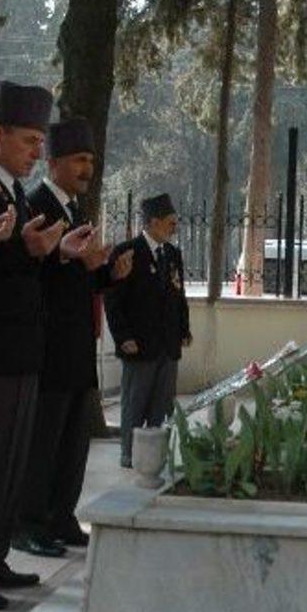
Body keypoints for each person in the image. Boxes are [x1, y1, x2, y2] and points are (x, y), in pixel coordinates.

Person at [0, 81, 93, 611]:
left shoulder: (14, 192)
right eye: (29, 141)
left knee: (8, 467)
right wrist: (10, 244)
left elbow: (21, 267)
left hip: (21, 351)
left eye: (39, 143)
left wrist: (54, 252)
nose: (36, 152)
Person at [17, 119, 131, 549]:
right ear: (54, 162)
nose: (87, 169)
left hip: (77, 347)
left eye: (91, 161)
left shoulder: (76, 212)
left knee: (72, 441)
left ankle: (61, 516)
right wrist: (65, 259)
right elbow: (30, 274)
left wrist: (107, 273)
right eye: (79, 160)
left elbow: (80, 277)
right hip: (48, 347)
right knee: (43, 442)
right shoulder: (36, 206)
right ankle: (29, 523)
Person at [105, 193, 192, 468]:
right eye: (170, 222)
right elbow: (113, 300)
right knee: (135, 402)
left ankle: (155, 455)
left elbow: (179, 295)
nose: (174, 228)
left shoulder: (172, 254)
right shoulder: (127, 252)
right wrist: (123, 337)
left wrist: (184, 329)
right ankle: (130, 454)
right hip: (139, 345)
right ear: (153, 222)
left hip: (168, 344)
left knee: (162, 405)